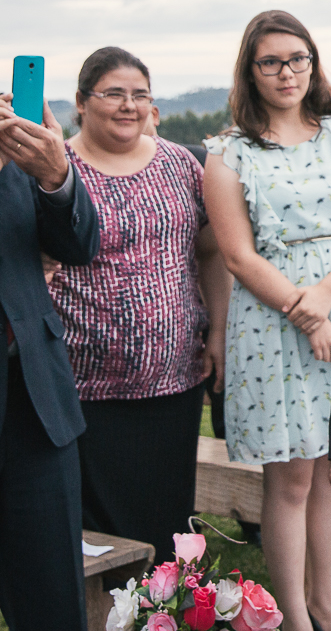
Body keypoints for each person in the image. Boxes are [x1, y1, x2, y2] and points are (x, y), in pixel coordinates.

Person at [205, 10, 331, 631]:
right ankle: (295, 617)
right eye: (271, 61)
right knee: (292, 478)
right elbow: (238, 254)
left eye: (297, 58)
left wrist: (327, 299)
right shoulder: (228, 154)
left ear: (313, 63)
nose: (286, 72)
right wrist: (304, 313)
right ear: (251, 70)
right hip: (273, 325)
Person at [46, 48, 228, 564]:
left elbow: (210, 250)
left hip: (172, 383)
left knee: (168, 522)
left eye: (140, 95)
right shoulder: (57, 167)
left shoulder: (181, 163)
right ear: (82, 103)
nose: (129, 106)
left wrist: (216, 331)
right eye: (114, 94)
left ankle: (166, 612)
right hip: (83, 387)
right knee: (98, 539)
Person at [0, 95, 99, 631]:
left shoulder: (13, 141)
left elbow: (79, 245)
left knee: (53, 606)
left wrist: (55, 174)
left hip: (32, 402)